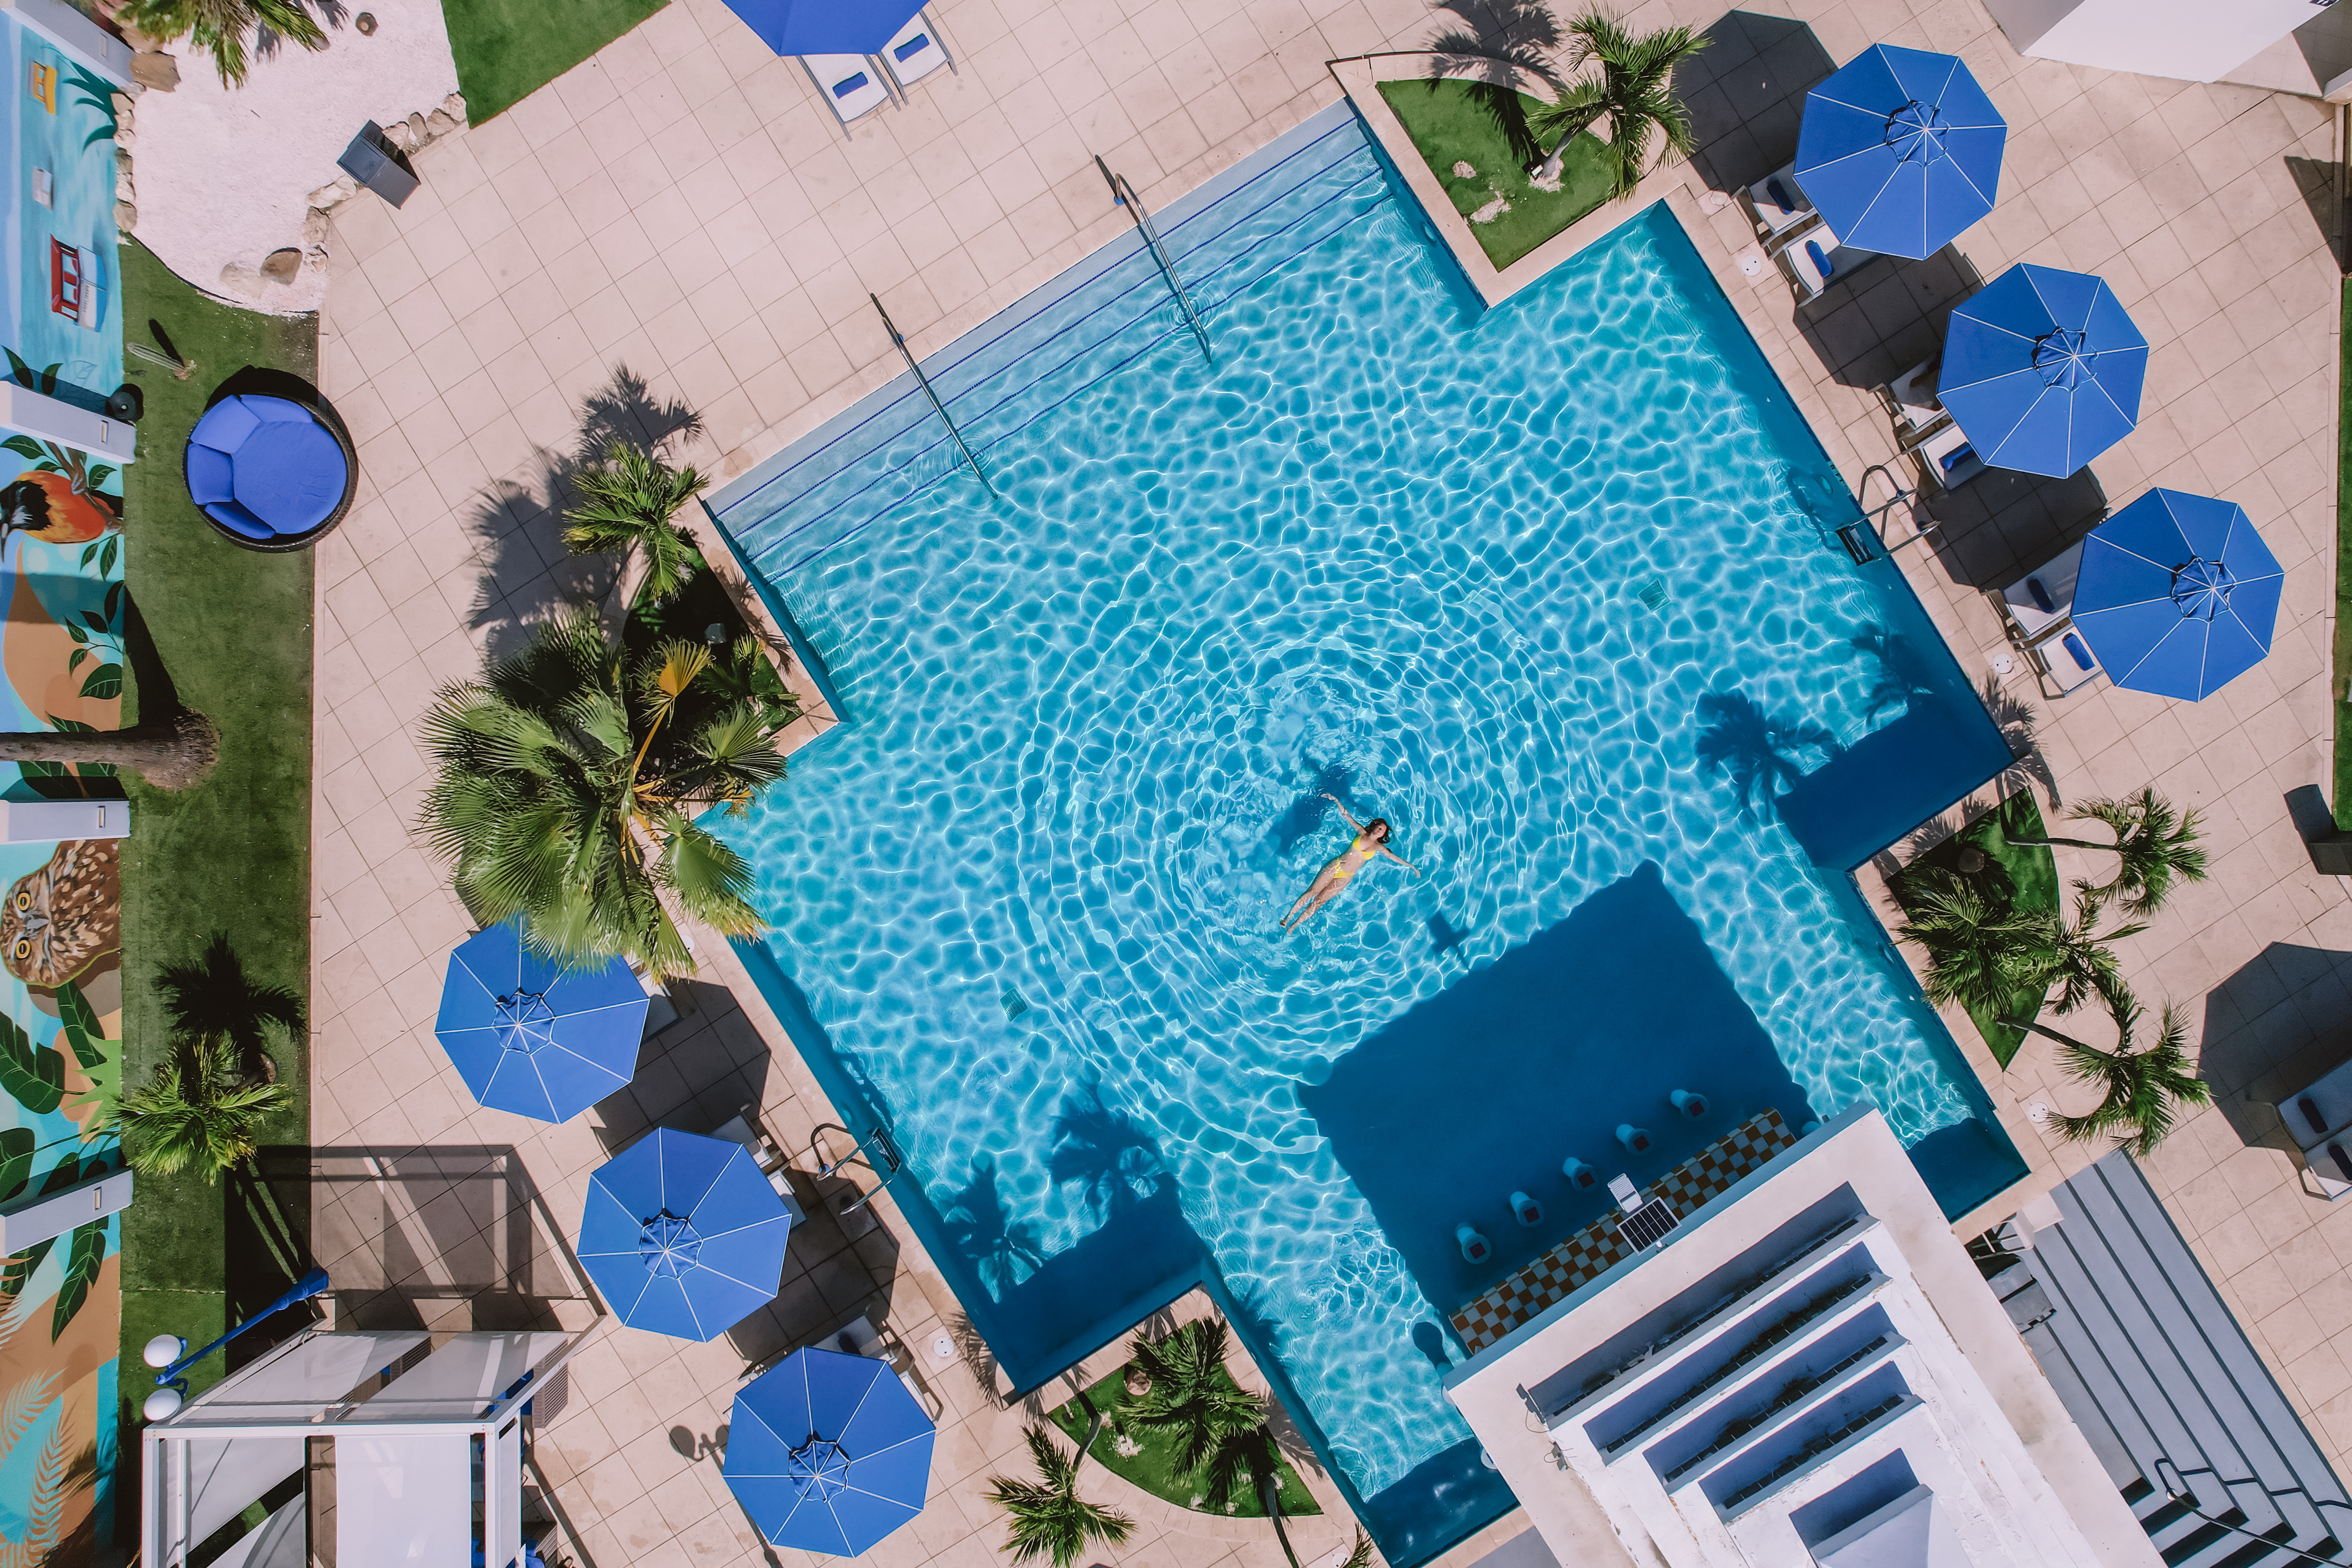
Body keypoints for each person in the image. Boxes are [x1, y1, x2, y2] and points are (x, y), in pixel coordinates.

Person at [1280, 793, 1418, 930]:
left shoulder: (1378, 847)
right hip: (1336, 866)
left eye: (1383, 831)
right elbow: (1347, 815)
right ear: (1375, 826)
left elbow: (1393, 857)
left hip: (1346, 877)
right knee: (1311, 892)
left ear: (1383, 835)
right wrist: (1336, 800)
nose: (1381, 830)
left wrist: (1412, 867)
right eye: (1380, 827)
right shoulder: (1361, 832)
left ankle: (1294, 926)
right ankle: (1288, 918)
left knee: (1318, 902)